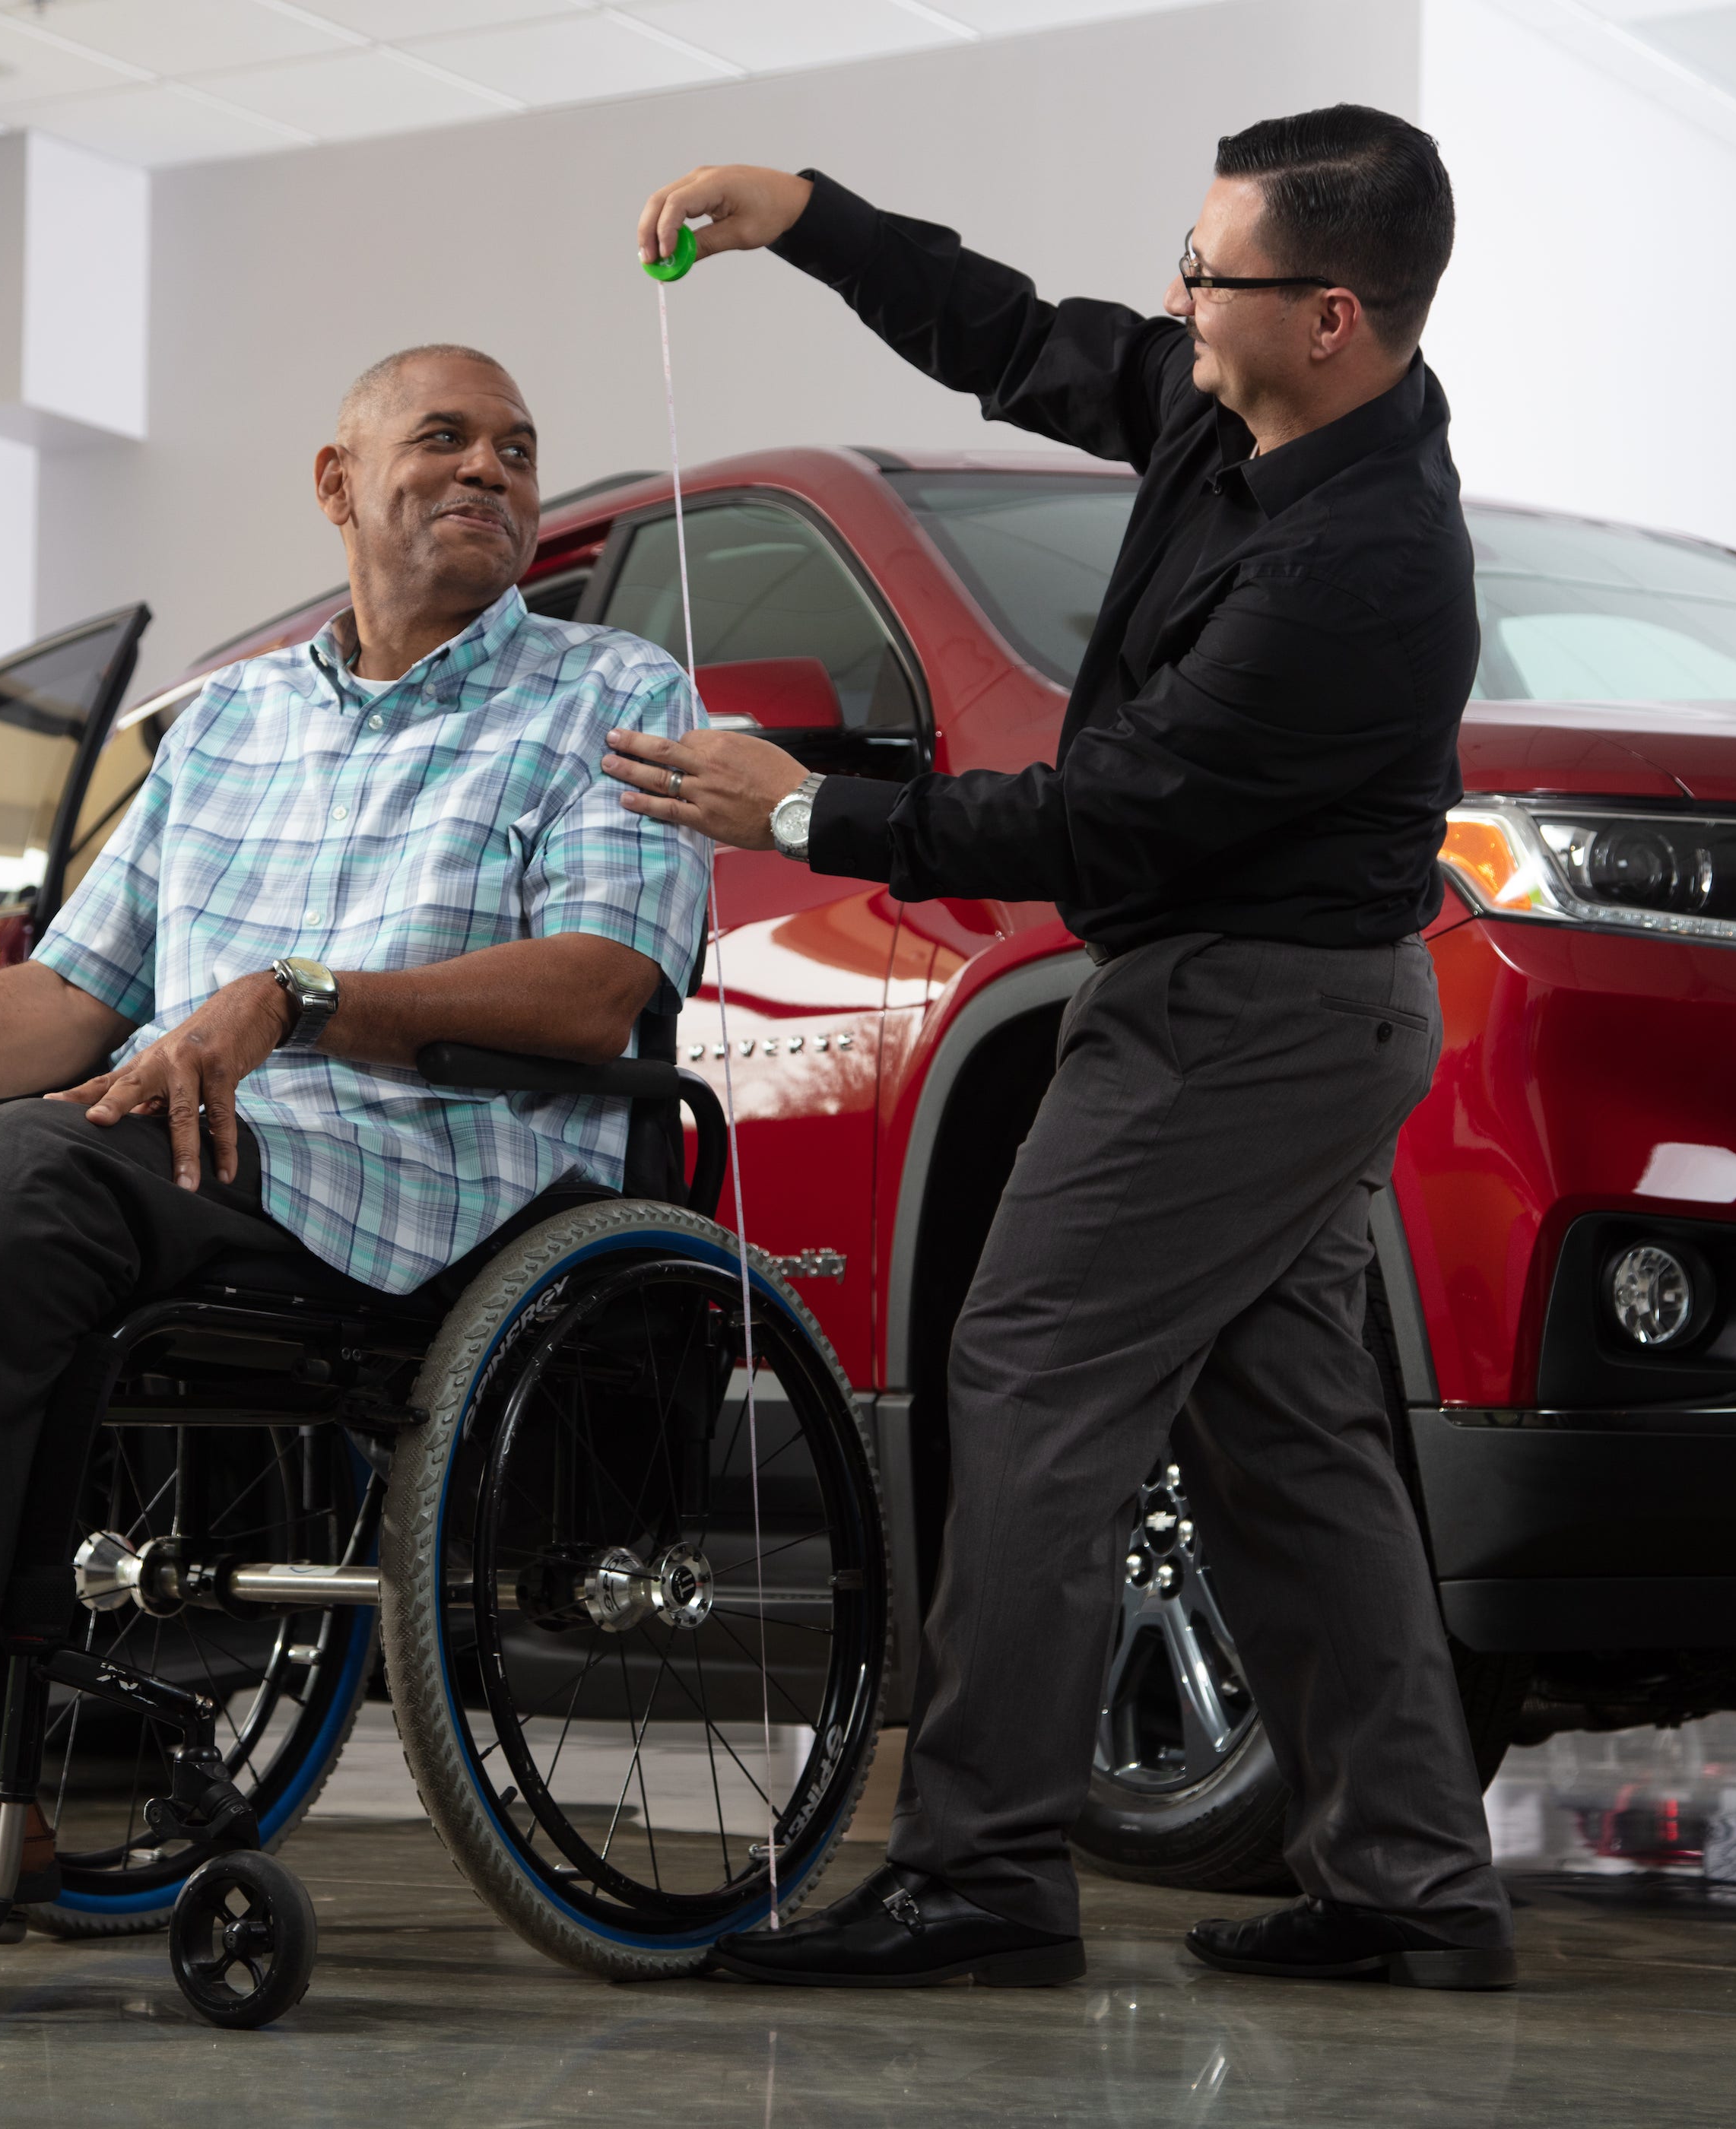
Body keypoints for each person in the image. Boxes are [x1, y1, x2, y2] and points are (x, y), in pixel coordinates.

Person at [0, 345, 710, 1928]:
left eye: (517, 449)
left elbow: (600, 990)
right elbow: (66, 994)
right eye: (444, 439)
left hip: (407, 1185)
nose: (490, 472)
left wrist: (295, 999)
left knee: (17, 1168)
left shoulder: (615, 693)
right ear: (336, 483)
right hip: (150, 1158)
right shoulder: (231, 725)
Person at [608, 108, 1514, 1991]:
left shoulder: (1364, 568)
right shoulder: (1237, 408)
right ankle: (1414, 1884)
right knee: (1289, 1442)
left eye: (1214, 270)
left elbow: (1104, 820)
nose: (1179, 292)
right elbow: (1018, 335)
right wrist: (809, 219)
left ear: (1332, 313)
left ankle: (983, 1874)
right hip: (1277, 1009)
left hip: (1240, 1018)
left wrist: (800, 819)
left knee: (1027, 1370)